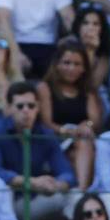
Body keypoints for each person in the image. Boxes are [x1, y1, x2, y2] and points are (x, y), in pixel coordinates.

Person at [0, 81, 74, 220]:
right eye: (20, 106)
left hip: (38, 198)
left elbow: (66, 172)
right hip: (8, 202)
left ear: (38, 107)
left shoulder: (45, 134)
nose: (26, 111)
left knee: (76, 196)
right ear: (9, 108)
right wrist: (31, 182)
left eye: (31, 106)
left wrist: (56, 185)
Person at [37, 38, 101, 191]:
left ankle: (80, 191)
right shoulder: (44, 88)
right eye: (66, 63)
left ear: (84, 68)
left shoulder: (88, 91)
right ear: (57, 65)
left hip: (81, 140)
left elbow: (95, 120)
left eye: (77, 64)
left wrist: (87, 125)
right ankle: (83, 192)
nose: (71, 68)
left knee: (83, 146)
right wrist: (66, 130)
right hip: (55, 139)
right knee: (81, 148)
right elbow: (46, 122)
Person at [0, 0, 73, 76]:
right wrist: (16, 53)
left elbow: (68, 17)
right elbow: (3, 21)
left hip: (48, 45)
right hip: (15, 43)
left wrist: (72, 42)